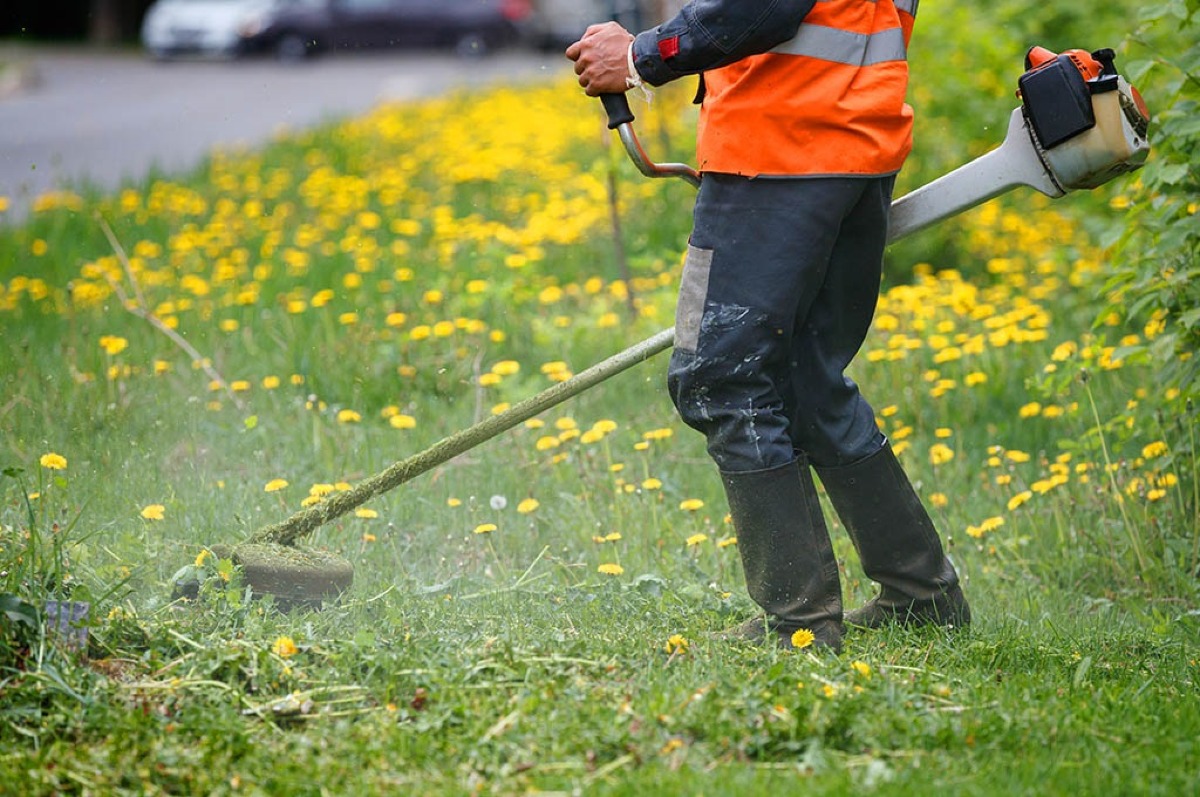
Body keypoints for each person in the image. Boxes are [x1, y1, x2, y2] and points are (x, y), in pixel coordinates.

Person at [566, 0, 970, 653]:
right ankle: (922, 594)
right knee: (809, 378)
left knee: (715, 375)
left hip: (774, 153)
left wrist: (642, 56)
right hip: (855, 149)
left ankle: (800, 623)